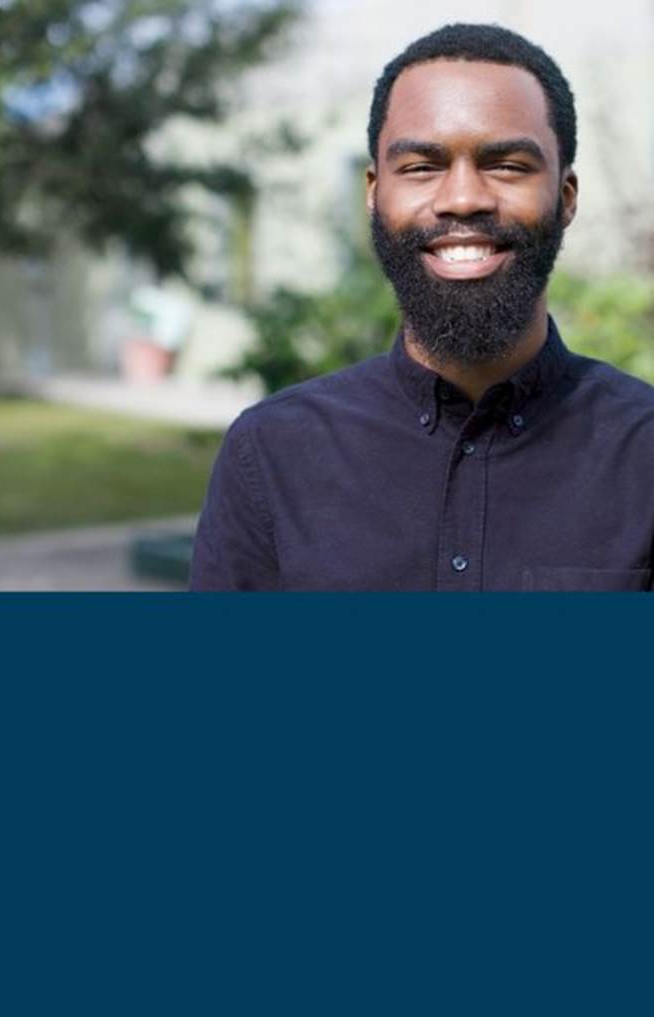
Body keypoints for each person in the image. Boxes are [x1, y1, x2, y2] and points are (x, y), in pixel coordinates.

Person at [189, 23, 654, 592]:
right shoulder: (271, 454)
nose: (462, 198)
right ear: (374, 192)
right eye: (421, 167)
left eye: (507, 165)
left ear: (565, 197)